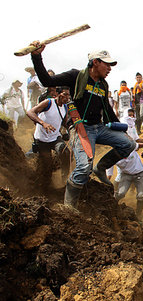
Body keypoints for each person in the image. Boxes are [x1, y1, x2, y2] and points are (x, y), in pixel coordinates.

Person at [29, 42, 136, 207]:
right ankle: (69, 208)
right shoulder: (76, 76)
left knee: (129, 144)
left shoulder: (102, 85)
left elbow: (107, 111)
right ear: (95, 62)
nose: (110, 68)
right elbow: (46, 80)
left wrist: (122, 132)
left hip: (99, 128)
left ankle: (101, 168)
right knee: (84, 168)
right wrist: (36, 56)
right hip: (79, 128)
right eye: (107, 64)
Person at [26, 86, 71, 185]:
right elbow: (30, 112)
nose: (67, 98)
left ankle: (65, 178)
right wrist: (43, 123)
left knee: (65, 151)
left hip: (55, 137)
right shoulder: (48, 102)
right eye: (65, 94)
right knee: (47, 165)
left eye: (69, 95)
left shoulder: (65, 107)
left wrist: (69, 130)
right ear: (59, 94)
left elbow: (64, 122)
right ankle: (47, 187)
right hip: (41, 139)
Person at [113, 141, 143, 219]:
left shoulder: (129, 147)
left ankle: (138, 215)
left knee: (141, 195)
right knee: (120, 193)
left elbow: (139, 145)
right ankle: (112, 207)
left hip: (140, 174)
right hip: (126, 175)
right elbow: (108, 170)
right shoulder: (113, 157)